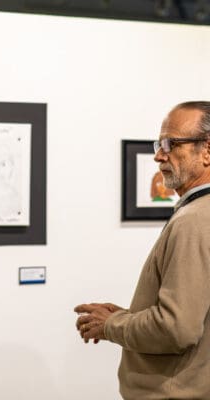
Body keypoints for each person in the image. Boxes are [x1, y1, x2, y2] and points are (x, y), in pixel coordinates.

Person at [75, 101, 210, 399]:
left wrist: (111, 325)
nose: (159, 154)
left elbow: (178, 329)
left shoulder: (195, 220)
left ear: (207, 151)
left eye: (171, 143)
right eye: (159, 143)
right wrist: (127, 315)